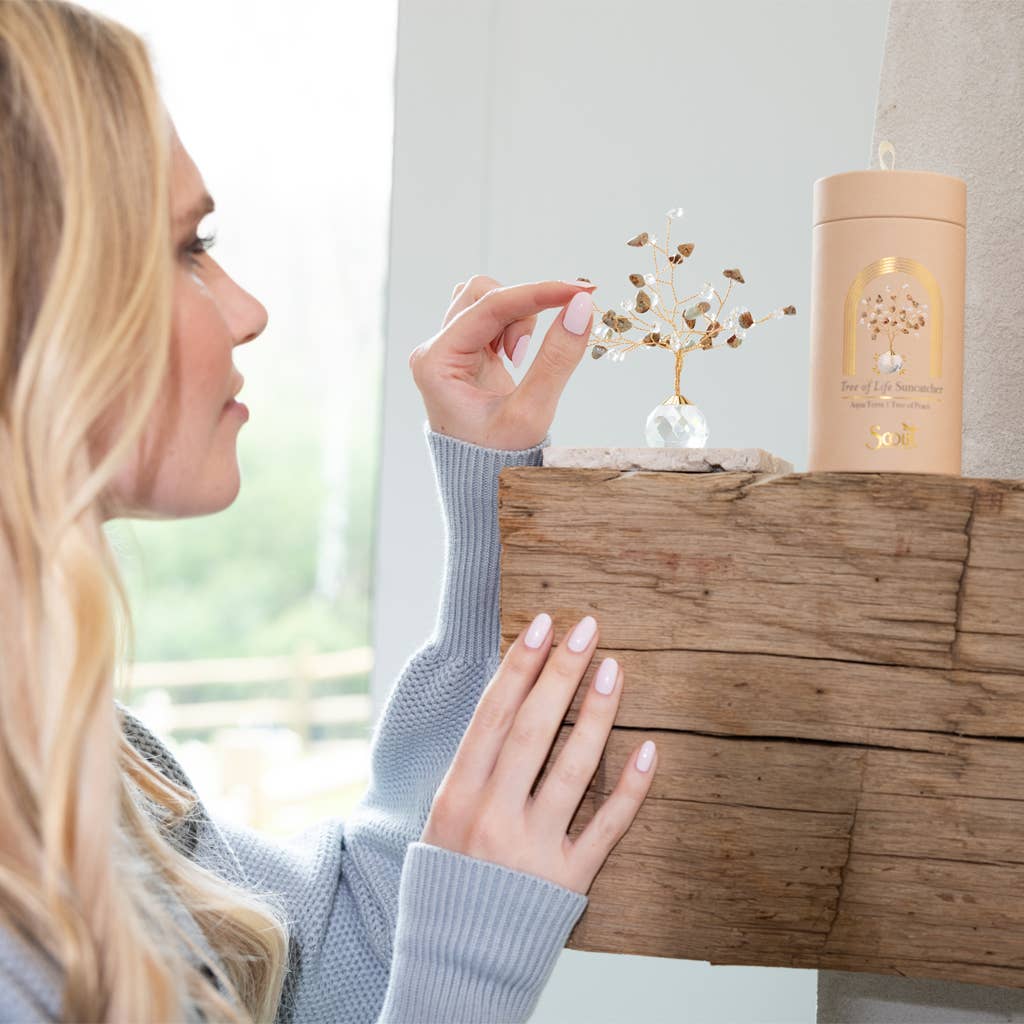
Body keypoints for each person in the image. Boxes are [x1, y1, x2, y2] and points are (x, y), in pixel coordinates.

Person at [0, 2, 659, 1021]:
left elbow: (328, 962)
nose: (248, 309)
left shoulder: (95, 765)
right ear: (35, 301)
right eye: (188, 247)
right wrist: (467, 978)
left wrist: (493, 505)